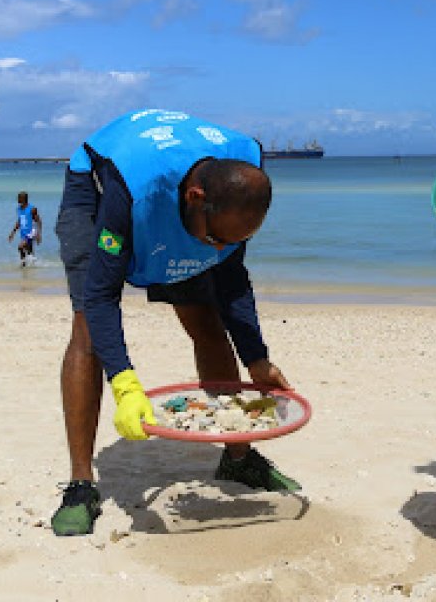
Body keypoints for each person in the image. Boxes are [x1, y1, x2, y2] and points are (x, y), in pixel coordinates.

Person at [50, 108, 299, 537]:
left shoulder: (243, 171)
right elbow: (101, 296)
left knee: (206, 320)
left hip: (180, 198)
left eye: (233, 240)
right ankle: (80, 483)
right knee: (87, 331)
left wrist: (257, 359)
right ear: (195, 198)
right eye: (216, 239)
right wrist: (125, 385)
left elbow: (232, 276)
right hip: (100, 183)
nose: (221, 248)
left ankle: (239, 458)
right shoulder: (132, 189)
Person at [7, 192, 42, 266]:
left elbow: (38, 221)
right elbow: (19, 221)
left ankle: (23, 264)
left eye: (19, 198)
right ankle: (32, 266)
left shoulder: (32, 209)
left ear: (23, 199)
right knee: (29, 251)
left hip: (31, 232)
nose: (17, 199)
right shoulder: (19, 209)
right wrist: (12, 233)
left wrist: (38, 234)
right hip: (23, 233)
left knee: (20, 247)